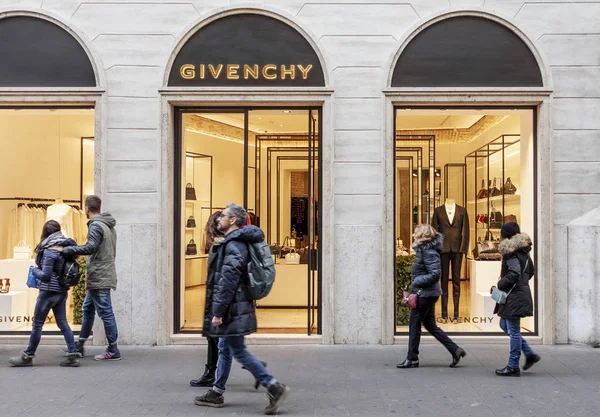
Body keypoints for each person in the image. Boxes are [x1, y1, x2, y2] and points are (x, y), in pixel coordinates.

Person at [194, 203, 290, 415]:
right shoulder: (232, 242)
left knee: (237, 349)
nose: (219, 218)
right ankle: (217, 391)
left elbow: (228, 280)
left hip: (232, 308)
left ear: (233, 221)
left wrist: (218, 312)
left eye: (224, 216)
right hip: (235, 307)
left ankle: (273, 386)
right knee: (225, 347)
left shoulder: (234, 245)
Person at [52, 195, 120, 361]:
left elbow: (90, 247)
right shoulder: (108, 225)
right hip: (102, 272)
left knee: (105, 312)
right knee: (88, 309)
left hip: (99, 274)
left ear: (86, 209)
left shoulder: (96, 226)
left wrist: (66, 250)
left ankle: (113, 350)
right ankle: (79, 346)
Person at [9, 220, 81, 367]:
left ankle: (27, 356)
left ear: (45, 233)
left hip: (48, 291)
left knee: (37, 325)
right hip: (61, 291)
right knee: (63, 323)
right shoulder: (65, 247)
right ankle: (73, 355)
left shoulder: (49, 250)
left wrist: (34, 270)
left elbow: (46, 275)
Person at [397, 224, 466, 369]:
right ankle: (455, 350)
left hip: (426, 294)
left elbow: (435, 274)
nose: (413, 234)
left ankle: (412, 358)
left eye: (415, 232)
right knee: (430, 325)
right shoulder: (424, 250)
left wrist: (417, 281)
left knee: (414, 324)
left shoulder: (428, 251)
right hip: (426, 293)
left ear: (422, 235)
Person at [492, 222, 540, 377]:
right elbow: (531, 271)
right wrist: (522, 284)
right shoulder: (524, 251)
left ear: (505, 235)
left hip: (514, 296)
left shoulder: (511, 252)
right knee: (504, 324)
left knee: (513, 330)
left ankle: (513, 366)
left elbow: (514, 273)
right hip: (521, 293)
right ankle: (529, 354)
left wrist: (500, 283)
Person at [190, 211, 223, 387]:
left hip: (220, 301)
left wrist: (217, 309)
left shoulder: (220, 248)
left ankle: (211, 374)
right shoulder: (223, 246)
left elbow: (221, 279)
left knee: (215, 337)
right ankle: (211, 373)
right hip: (221, 300)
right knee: (227, 342)